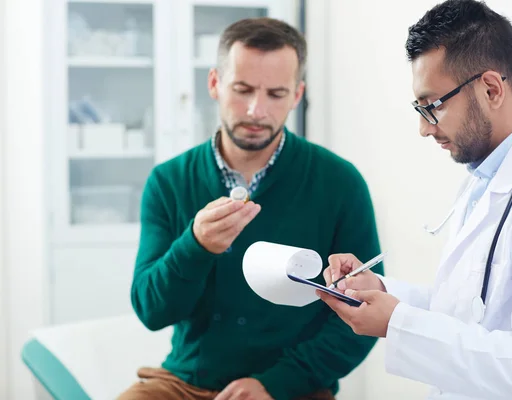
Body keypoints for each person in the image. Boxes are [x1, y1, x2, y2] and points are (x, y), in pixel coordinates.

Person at [318, 0, 512, 398]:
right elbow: (470, 309)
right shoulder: (487, 171)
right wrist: (381, 291)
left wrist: (397, 323)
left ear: (491, 89)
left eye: (432, 105)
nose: (422, 128)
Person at [118, 17, 384, 400]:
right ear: (215, 84)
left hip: (294, 387)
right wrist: (195, 245)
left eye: (276, 94)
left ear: (297, 95)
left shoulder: (340, 183)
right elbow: (151, 311)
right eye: (242, 90)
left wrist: (275, 385)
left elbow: (361, 312)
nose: (257, 110)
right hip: (184, 383)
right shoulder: (169, 181)